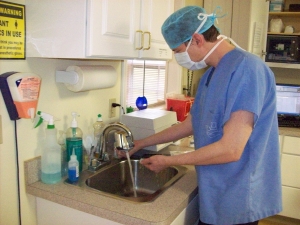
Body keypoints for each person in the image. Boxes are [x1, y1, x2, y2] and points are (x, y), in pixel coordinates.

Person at [119, 6, 282, 225]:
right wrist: (141, 143)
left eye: (178, 51)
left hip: (239, 194)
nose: (178, 57)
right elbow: (192, 123)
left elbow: (231, 149)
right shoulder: (210, 75)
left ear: (196, 39)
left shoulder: (247, 70)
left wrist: (169, 161)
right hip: (217, 186)